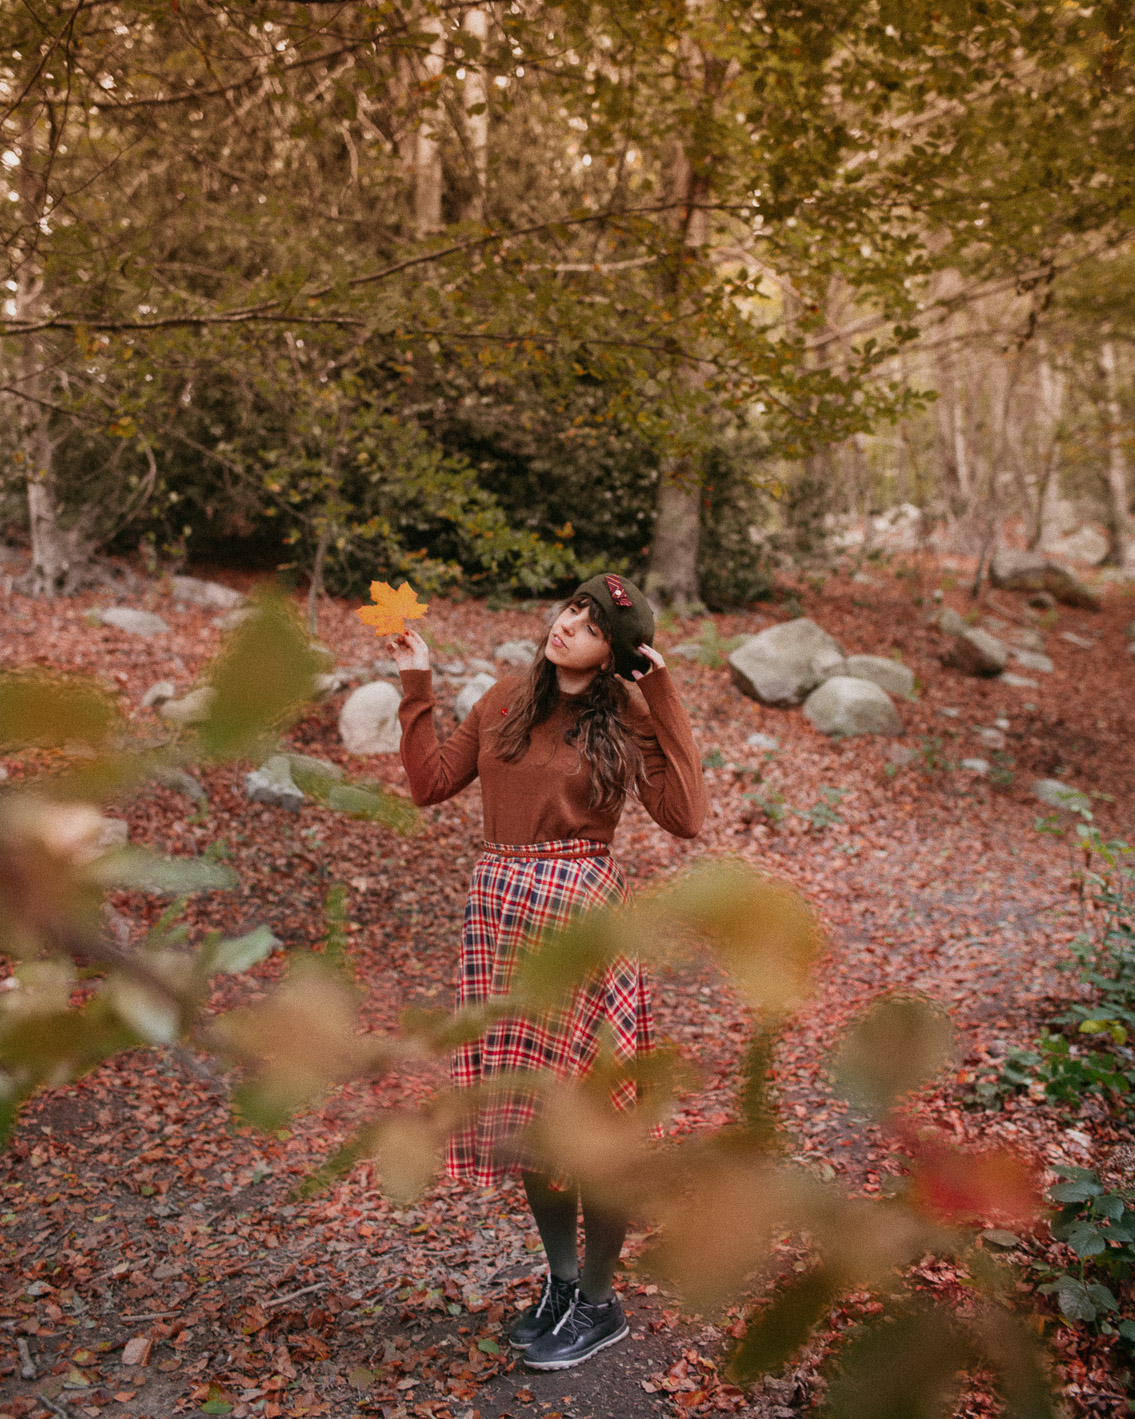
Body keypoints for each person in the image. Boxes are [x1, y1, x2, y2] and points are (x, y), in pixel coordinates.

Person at [389, 572, 706, 1370]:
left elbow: (686, 817)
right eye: (571, 608)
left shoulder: (626, 716)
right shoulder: (504, 697)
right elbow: (429, 784)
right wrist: (416, 683)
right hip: (499, 916)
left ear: (615, 653)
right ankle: (562, 1285)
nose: (568, 625)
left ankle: (600, 1303)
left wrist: (662, 695)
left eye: (591, 623)